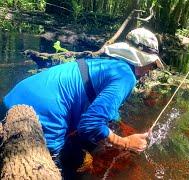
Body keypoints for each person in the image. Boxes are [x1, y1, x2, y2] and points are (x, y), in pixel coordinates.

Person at [3, 28, 164, 170]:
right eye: (152, 65)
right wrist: (126, 142)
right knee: (84, 164)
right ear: (142, 60)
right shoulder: (126, 76)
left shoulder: (106, 63)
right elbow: (90, 125)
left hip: (9, 102)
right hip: (38, 122)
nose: (150, 70)